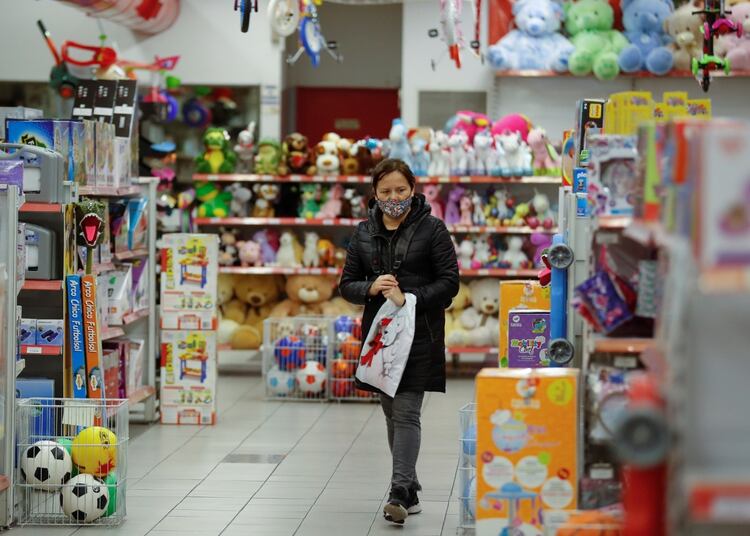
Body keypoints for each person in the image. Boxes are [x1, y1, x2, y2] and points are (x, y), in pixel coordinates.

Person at [339, 158, 460, 525]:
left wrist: (410, 298)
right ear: (374, 193)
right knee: (391, 413)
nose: (394, 197)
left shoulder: (434, 229)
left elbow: (450, 283)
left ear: (413, 189)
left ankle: (398, 493)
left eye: (401, 190)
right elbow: (346, 284)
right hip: (380, 340)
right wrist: (370, 287)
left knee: (406, 412)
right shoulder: (362, 233)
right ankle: (410, 486)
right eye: (386, 191)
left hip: (419, 335)